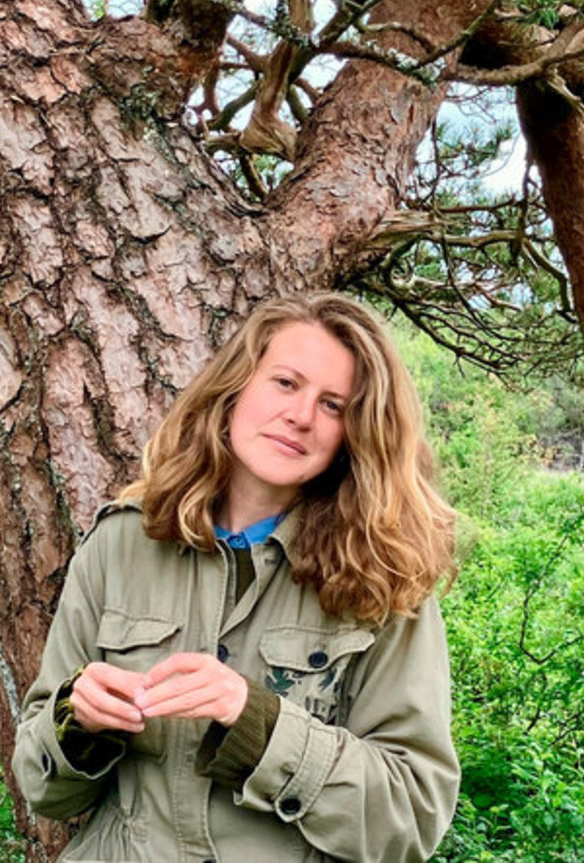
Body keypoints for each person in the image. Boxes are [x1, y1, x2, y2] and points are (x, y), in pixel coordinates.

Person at [12, 292, 459, 862]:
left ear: (356, 433)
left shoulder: (381, 577)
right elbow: (43, 791)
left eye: (333, 405)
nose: (300, 416)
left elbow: (413, 817)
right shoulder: (121, 544)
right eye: (285, 383)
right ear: (236, 387)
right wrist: (78, 723)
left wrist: (262, 728)